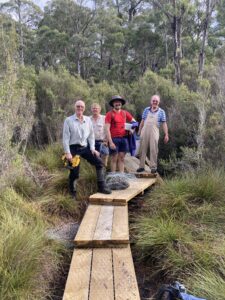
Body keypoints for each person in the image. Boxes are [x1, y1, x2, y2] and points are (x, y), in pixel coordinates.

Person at [63, 100, 111, 199]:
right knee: (74, 172)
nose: (80, 108)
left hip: (85, 148)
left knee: (99, 163)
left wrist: (93, 148)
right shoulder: (68, 120)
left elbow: (91, 136)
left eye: (82, 107)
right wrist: (67, 153)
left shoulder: (87, 120)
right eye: (78, 106)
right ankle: (72, 192)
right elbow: (65, 138)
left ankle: (101, 187)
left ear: (84, 108)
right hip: (73, 149)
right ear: (75, 107)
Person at [137, 95, 169, 173]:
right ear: (151, 101)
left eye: (156, 101)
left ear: (159, 102)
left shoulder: (161, 112)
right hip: (144, 130)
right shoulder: (146, 110)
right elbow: (142, 121)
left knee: (153, 149)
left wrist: (166, 134)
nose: (155, 102)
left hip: (154, 131)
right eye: (153, 100)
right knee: (142, 149)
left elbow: (164, 124)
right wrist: (139, 130)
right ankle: (141, 166)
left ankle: (153, 167)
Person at [105, 95, 136, 172]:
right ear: (113, 104)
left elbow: (135, 122)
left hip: (124, 139)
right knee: (114, 159)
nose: (117, 103)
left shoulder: (125, 113)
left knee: (121, 158)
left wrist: (133, 129)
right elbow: (107, 129)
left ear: (121, 103)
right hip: (114, 139)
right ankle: (113, 177)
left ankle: (121, 177)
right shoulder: (109, 114)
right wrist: (110, 142)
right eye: (115, 102)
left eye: (119, 102)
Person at [90, 103, 109, 167]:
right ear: (91, 110)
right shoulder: (88, 119)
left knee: (104, 160)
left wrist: (107, 140)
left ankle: (103, 175)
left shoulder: (104, 118)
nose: (95, 109)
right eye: (93, 108)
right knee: (94, 161)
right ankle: (94, 175)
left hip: (102, 143)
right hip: (92, 143)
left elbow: (108, 130)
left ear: (100, 110)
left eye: (96, 108)